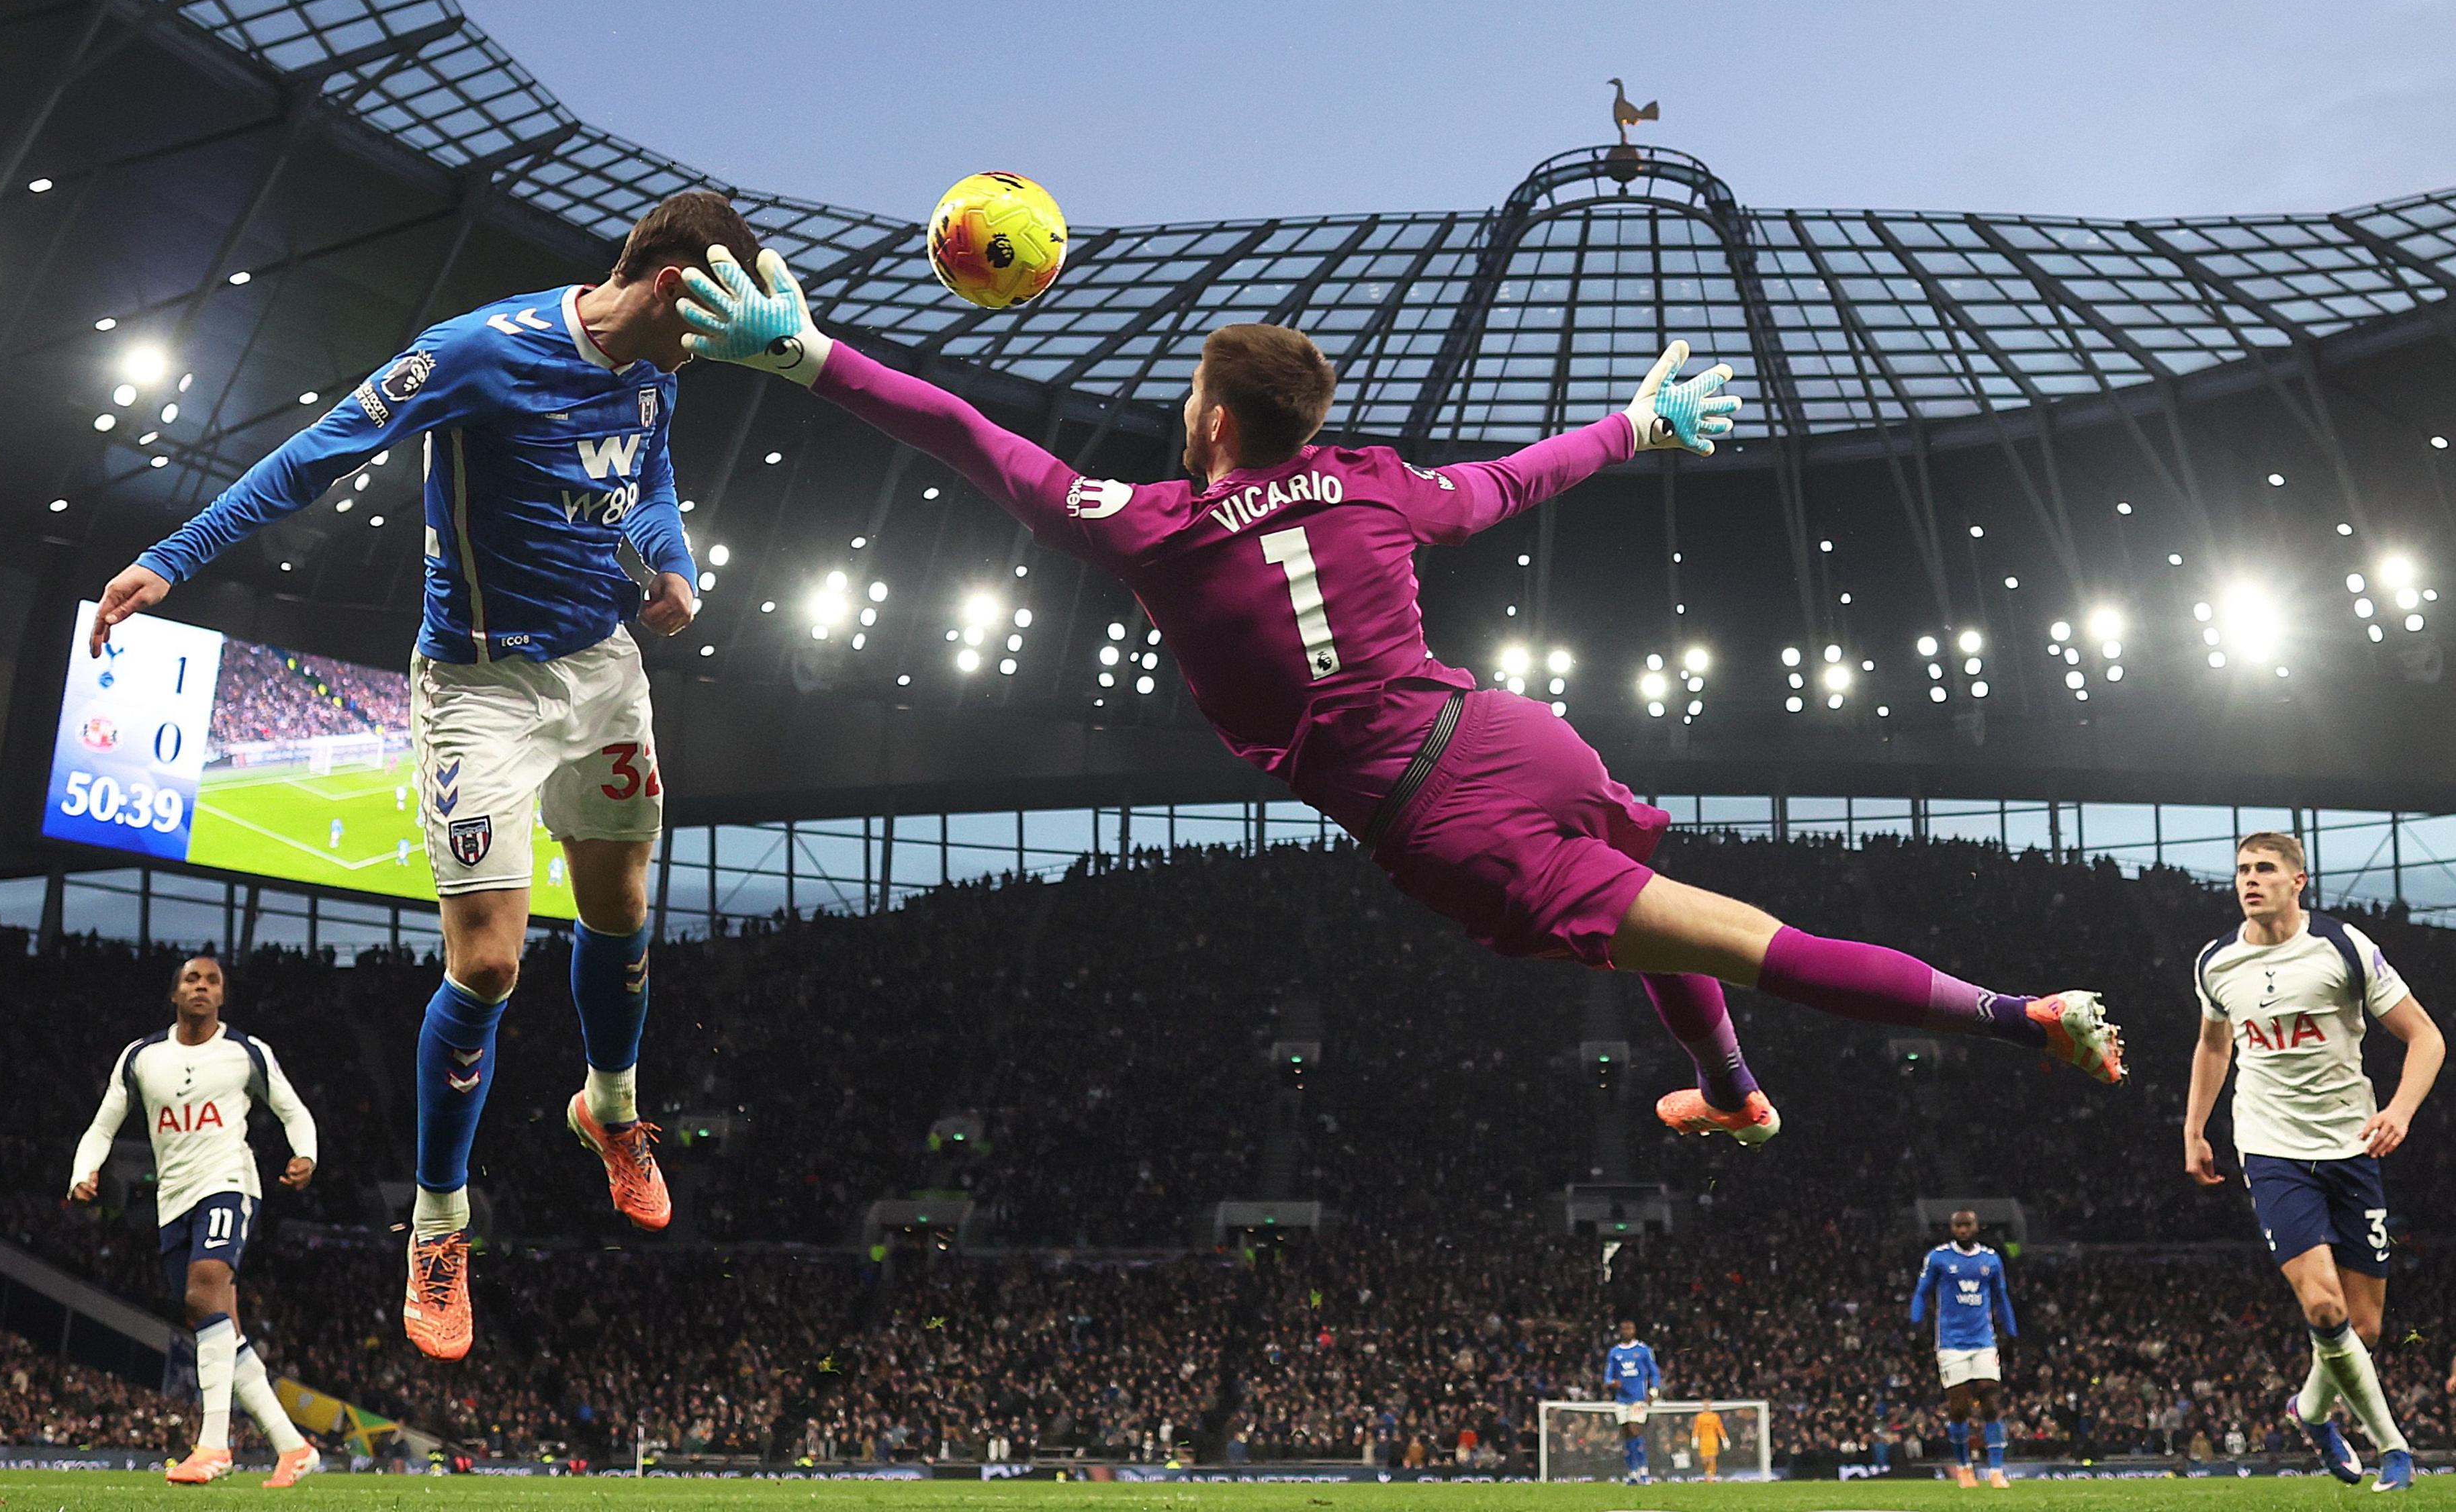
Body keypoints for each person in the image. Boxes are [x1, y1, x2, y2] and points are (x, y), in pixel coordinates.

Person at [672, 244, 2126, 1140]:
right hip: (1512, 732)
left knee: (1742, 940)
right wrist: (1633, 421)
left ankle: (2018, 1015)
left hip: (1446, 816)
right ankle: (1737, 1089)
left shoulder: (1153, 523)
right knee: (1690, 916)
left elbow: (975, 437)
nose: (1184, 421)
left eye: (1191, 406)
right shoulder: (1374, 484)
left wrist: (804, 354)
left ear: (1219, 422)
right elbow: (1513, 478)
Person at [86, 191, 749, 1360]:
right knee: (489, 962)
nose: (710, 344)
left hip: (602, 668)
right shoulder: (479, 354)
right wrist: (170, 558)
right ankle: (437, 1224)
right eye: (704, 318)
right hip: (479, 689)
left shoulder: (658, 372)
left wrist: (674, 566)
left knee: (621, 908)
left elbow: (649, 482)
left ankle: (610, 1104)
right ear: (666, 288)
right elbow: (318, 450)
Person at [2185, 831, 2442, 1493]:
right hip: (2271, 1148)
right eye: (2242, 868)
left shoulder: (2343, 947)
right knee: (2324, 1308)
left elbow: (2426, 1037)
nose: (2250, 879)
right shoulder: (2217, 963)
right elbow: (2214, 1045)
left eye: (2265, 868)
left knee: (2366, 1327)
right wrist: (2195, 1127)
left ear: (2299, 881)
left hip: (2351, 1147)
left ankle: (2310, 1409)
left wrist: (2401, 1110)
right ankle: (2395, 1449)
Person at [67, 955, 322, 1487]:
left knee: (205, 1291)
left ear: (222, 997)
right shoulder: (142, 1056)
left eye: (212, 981)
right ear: (175, 993)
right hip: (173, 1198)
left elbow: (294, 1109)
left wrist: (305, 1154)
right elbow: (103, 1124)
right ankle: (292, 1445)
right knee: (213, 1319)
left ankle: (213, 1446)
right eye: (192, 979)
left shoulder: (245, 1052)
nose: (202, 987)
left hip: (228, 1181)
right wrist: (83, 1170)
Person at [1910, 1208, 2015, 1489]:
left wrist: (2012, 1330)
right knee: (1959, 1409)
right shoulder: (1939, 1258)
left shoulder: (1991, 1259)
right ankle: (1965, 1467)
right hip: (1951, 1343)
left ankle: (1996, 1471)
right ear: (1952, 1229)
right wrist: (1916, 1322)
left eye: (1968, 1225)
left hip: (1983, 1340)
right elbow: (1922, 1292)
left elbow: (2001, 1296)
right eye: (1959, 1226)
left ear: (1977, 1227)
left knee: (1992, 1403)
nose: (1963, 1230)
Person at [1602, 1318, 1661, 1484]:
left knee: (1636, 1431)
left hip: (1638, 1399)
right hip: (1621, 1399)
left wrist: (1653, 1391)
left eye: (1630, 1328)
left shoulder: (1643, 1350)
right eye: (1624, 1328)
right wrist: (1612, 1382)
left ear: (1634, 1330)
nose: (1627, 1331)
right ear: (1620, 1331)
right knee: (1626, 1435)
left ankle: (1644, 1471)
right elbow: (1608, 1376)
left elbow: (1655, 1372)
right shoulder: (1614, 1352)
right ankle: (1632, 1473)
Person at [1692, 1402, 1725, 1481]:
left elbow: (1720, 1428)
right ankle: (1707, 1472)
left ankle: (1711, 1476)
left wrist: (1724, 1439)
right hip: (1703, 1440)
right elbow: (1696, 1428)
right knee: (1704, 1459)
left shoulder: (1715, 1417)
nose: (1706, 1407)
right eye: (1705, 1405)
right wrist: (1695, 1438)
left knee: (1712, 1458)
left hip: (1713, 1439)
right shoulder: (1699, 1417)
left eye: (1708, 1405)